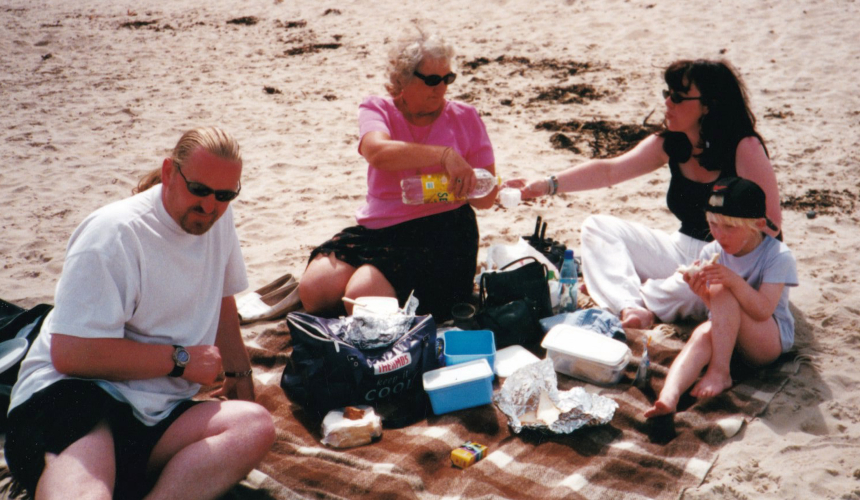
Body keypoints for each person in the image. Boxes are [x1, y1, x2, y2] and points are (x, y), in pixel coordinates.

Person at [4, 127, 276, 500]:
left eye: (225, 195)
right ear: (169, 172)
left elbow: (222, 302)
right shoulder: (113, 234)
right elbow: (70, 354)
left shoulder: (216, 222)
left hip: (152, 413)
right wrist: (181, 361)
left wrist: (241, 375)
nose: (210, 206)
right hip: (71, 397)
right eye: (199, 190)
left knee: (254, 426)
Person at [508, 59, 782, 329]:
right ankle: (632, 307)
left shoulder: (744, 147)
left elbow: (771, 226)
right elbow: (610, 171)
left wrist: (726, 263)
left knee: (691, 285)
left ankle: (625, 292)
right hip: (681, 247)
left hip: (732, 261)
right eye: (667, 94)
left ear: (708, 105)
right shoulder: (672, 142)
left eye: (678, 97)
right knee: (597, 228)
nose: (667, 103)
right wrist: (546, 185)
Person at [298, 29, 497, 321]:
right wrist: (444, 156)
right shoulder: (377, 108)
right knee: (314, 292)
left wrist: (472, 184)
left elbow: (486, 199)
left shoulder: (465, 117)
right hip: (379, 229)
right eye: (431, 80)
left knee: (360, 298)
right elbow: (377, 152)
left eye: (447, 78)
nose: (440, 88)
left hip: (442, 229)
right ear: (402, 78)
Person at [644, 177, 797, 417]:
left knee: (722, 288)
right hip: (730, 335)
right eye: (713, 225)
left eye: (729, 227)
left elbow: (763, 310)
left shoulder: (777, 255)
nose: (719, 234)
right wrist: (703, 293)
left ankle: (719, 371)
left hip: (767, 340)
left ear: (757, 224)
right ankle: (669, 396)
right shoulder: (712, 250)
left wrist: (732, 280)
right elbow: (719, 311)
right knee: (702, 335)